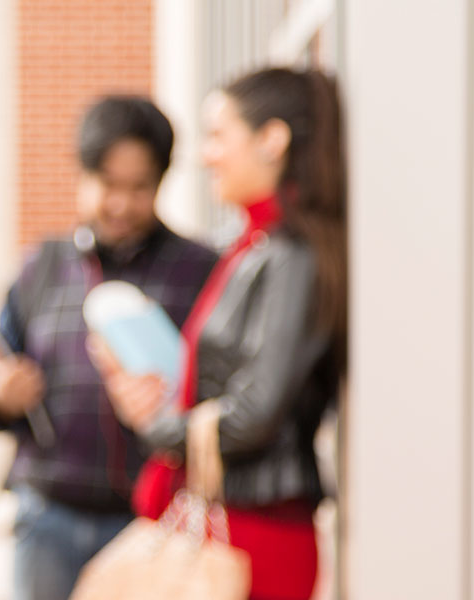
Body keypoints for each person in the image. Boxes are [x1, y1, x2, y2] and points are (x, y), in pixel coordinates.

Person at [95, 67, 348, 600]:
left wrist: (159, 428)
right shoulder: (256, 246)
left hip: (259, 533)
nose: (207, 154)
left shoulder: (291, 255)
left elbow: (255, 410)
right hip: (238, 523)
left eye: (218, 135)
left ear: (272, 140)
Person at [0, 96, 218, 600]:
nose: (122, 205)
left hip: (152, 522)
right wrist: (1, 395)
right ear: (81, 176)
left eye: (139, 188)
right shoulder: (42, 265)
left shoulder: (200, 271)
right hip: (48, 517)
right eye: (108, 185)